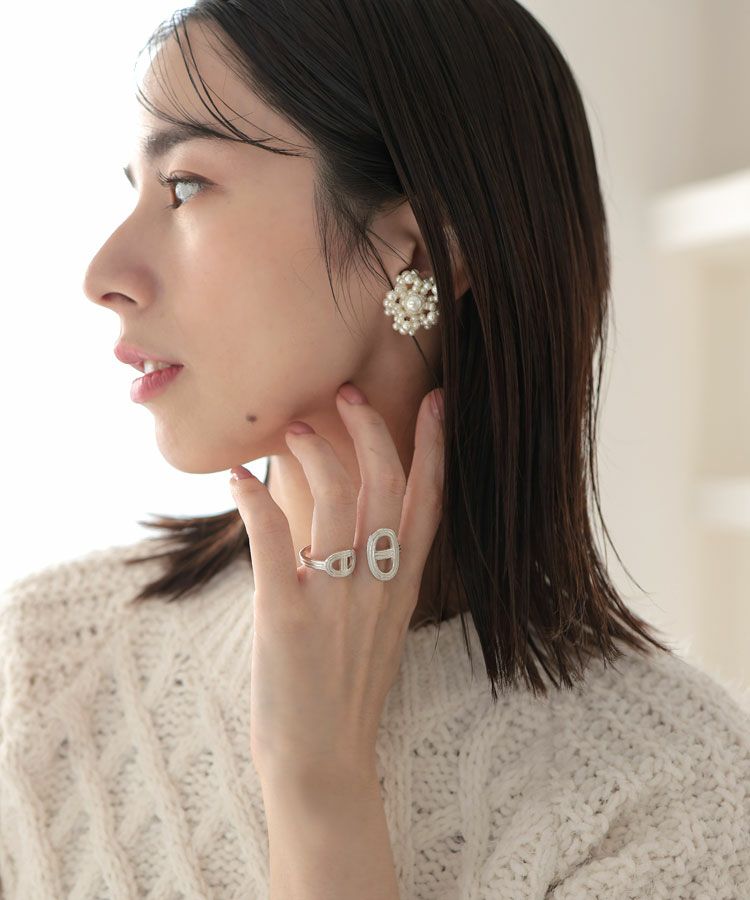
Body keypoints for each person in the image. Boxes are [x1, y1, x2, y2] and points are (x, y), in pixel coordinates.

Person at [1, 1, 749, 897]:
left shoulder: (676, 795)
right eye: (135, 189)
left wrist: (319, 784)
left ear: (421, 248)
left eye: (186, 186)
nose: (102, 276)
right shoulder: (44, 658)